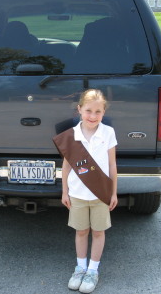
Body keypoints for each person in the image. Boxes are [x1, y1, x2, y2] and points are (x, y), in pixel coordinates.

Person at [60, 89, 118, 293]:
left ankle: (93, 270)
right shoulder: (71, 136)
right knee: (81, 231)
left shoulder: (108, 133)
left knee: (99, 232)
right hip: (77, 194)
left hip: (100, 194)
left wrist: (113, 193)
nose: (92, 116)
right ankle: (80, 268)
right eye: (88, 111)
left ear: (103, 113)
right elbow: (66, 166)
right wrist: (65, 191)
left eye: (98, 112)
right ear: (79, 110)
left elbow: (112, 165)